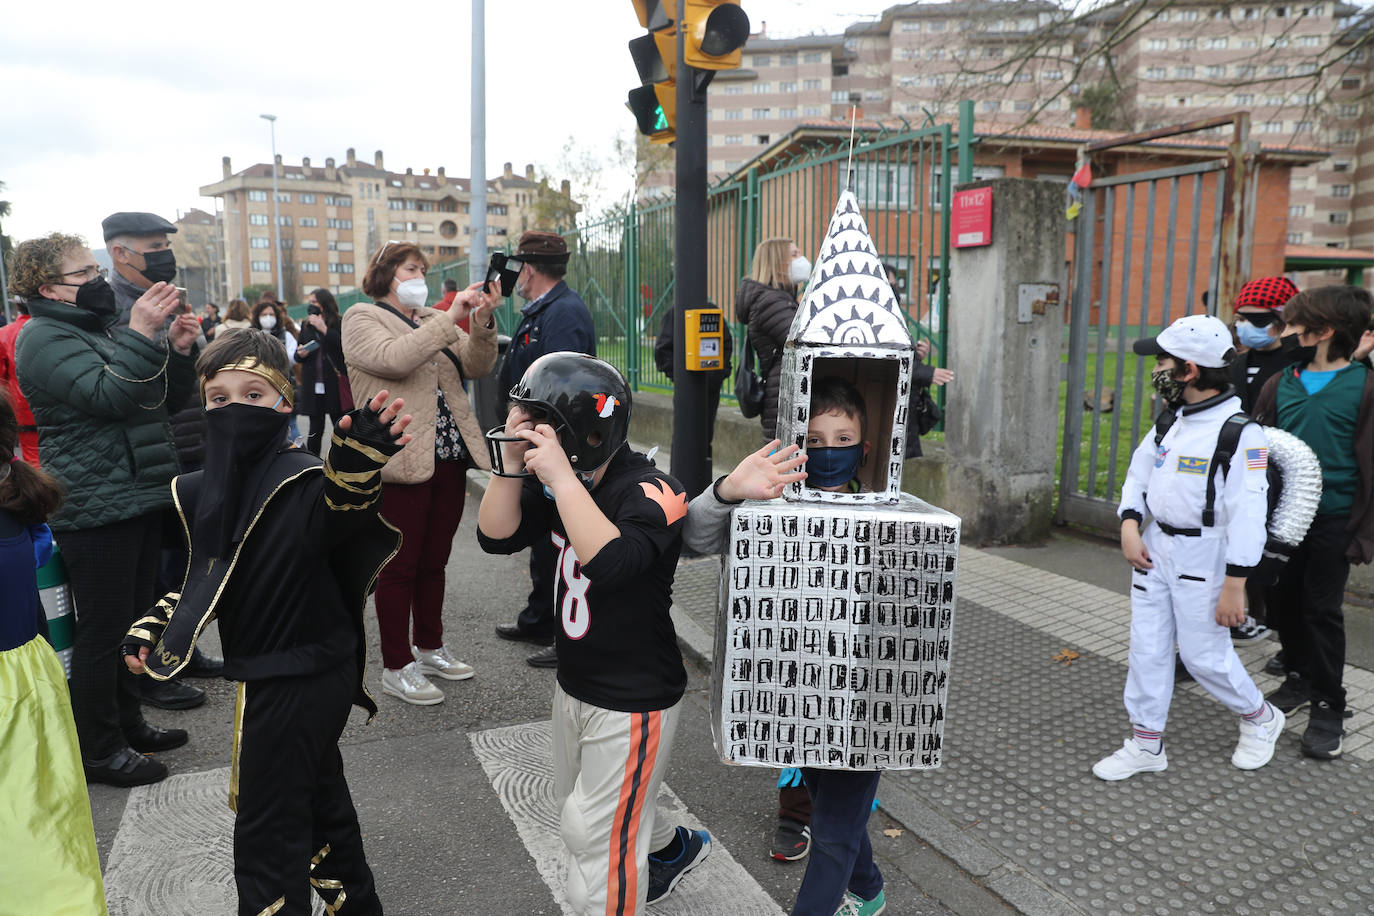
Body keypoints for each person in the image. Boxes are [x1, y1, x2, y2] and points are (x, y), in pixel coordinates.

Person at [122, 330, 410, 916]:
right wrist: (161, 625)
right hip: (281, 669)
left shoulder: (304, 480)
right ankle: (356, 904)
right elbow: (211, 573)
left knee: (267, 829)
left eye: (253, 394)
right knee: (317, 799)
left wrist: (357, 468)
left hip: (297, 675)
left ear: (285, 402)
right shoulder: (210, 488)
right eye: (219, 398)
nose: (234, 410)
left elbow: (343, 511)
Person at [478, 352, 711, 914]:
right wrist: (511, 464)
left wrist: (560, 476)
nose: (526, 436)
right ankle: (672, 849)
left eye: (536, 426)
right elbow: (495, 534)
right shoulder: (566, 483)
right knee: (578, 807)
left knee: (595, 838)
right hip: (576, 680)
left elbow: (611, 563)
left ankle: (643, 869)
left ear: (582, 437)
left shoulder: (654, 490)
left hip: (633, 697)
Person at [684, 379, 899, 916]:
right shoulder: (770, 508)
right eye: (816, 440)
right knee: (827, 801)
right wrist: (729, 491)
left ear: (866, 447)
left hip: (865, 698)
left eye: (843, 438)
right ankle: (868, 890)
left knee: (831, 832)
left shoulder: (894, 516)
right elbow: (691, 540)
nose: (830, 451)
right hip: (804, 691)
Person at [12, 232, 201, 787]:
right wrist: (142, 332)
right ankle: (98, 749)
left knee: (133, 623)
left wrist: (178, 351)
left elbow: (158, 400)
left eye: (96, 271)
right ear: (48, 288)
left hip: (136, 494)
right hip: (96, 507)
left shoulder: (91, 329)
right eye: (83, 275)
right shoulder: (43, 338)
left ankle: (127, 724)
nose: (97, 282)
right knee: (103, 632)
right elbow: (109, 397)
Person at [1095, 314, 1284, 782]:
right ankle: (1145, 743)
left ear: (1189, 370)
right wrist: (1129, 524)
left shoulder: (1241, 433)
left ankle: (1261, 717)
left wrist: (1236, 585)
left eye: (1161, 361)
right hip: (1155, 551)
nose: (1155, 369)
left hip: (1207, 557)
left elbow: (1247, 512)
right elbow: (1139, 476)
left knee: (1203, 656)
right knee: (1148, 649)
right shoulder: (1169, 421)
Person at [342, 241, 499, 704]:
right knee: (399, 565)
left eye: (423, 269)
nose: (421, 277)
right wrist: (450, 319)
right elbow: (394, 359)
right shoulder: (361, 318)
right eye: (412, 268)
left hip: (448, 456)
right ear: (386, 273)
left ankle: (430, 646)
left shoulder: (432, 317)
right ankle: (397, 664)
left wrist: (481, 319)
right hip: (398, 458)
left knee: (435, 560)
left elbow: (477, 363)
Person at [104, 212, 223, 705]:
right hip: (151, 456)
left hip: (190, 446)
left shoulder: (165, 299)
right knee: (154, 569)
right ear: (120, 253)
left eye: (164, 245)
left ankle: (182, 648)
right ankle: (151, 669)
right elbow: (122, 385)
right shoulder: (111, 308)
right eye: (153, 246)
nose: (164, 255)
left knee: (185, 564)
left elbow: (187, 380)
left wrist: (191, 345)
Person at [1253, 285, 1374, 759]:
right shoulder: (1280, 383)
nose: (1286, 331)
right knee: (1282, 602)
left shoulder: (1364, 387)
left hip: (1334, 520)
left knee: (1321, 610)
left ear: (1323, 331)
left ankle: (1329, 702)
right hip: (1283, 521)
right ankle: (1299, 677)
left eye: (1294, 324)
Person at [0, 392, 108, 914]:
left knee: (23, 841)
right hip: (29, 680)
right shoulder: (21, 514)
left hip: (12, 695)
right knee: (41, 825)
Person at [493, 231, 597, 669]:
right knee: (542, 538)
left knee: (559, 540)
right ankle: (539, 617)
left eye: (519, 269)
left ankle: (562, 629)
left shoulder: (563, 313)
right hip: (538, 441)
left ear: (529, 270)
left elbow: (561, 388)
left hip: (556, 445)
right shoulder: (544, 310)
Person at [737, 237, 809, 440]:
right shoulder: (771, 302)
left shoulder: (778, 299)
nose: (801, 259)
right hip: (785, 397)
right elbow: (802, 343)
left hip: (782, 395)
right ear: (778, 263)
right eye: (794, 255)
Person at [883, 264, 954, 459]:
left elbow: (899, 353)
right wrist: (927, 372)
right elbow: (887, 360)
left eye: (896, 283)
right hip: (890, 406)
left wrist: (916, 355)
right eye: (891, 284)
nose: (896, 289)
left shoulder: (891, 314)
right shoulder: (879, 316)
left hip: (905, 405)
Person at [652, 301, 734, 466]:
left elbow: (725, 345)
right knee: (685, 436)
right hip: (689, 391)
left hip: (709, 391)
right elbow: (662, 353)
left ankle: (701, 480)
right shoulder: (675, 313)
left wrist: (716, 375)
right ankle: (681, 478)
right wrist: (682, 379)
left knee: (704, 438)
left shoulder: (710, 312)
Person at [294, 288, 347, 456]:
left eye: (314, 302)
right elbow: (298, 355)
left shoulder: (339, 322)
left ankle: (342, 460)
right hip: (313, 383)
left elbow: (343, 347)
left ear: (325, 303)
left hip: (333, 383)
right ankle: (314, 464)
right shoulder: (306, 324)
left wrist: (324, 329)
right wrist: (300, 353)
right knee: (315, 428)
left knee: (339, 425)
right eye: (310, 302)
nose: (311, 306)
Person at [0, 299, 39, 465]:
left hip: (23, 410)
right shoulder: (55, 327)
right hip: (61, 404)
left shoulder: (5, 334)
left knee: (33, 460)